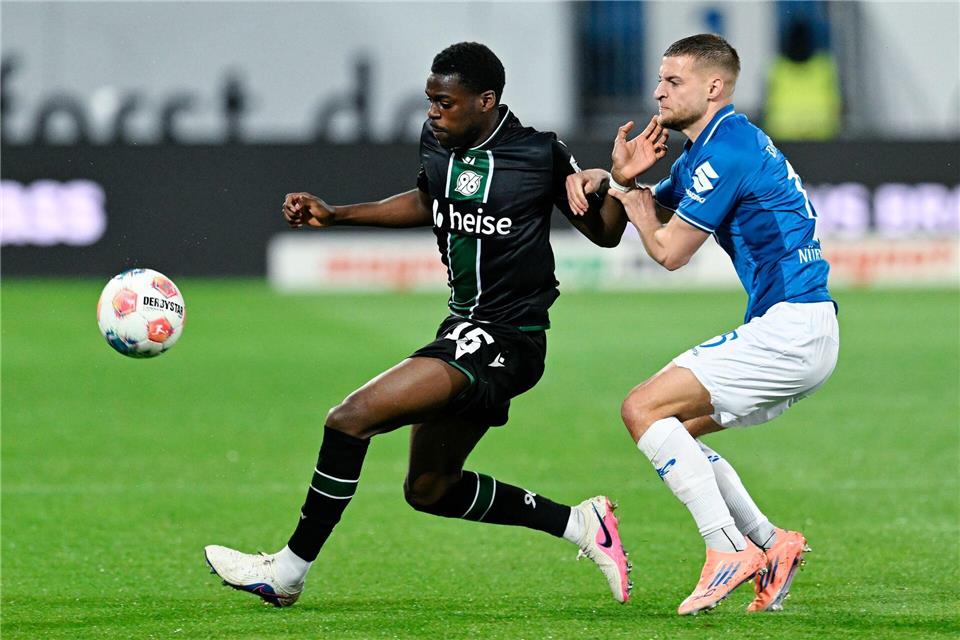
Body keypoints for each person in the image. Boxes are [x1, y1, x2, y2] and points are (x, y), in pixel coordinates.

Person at [204, 42, 636, 607]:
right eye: (429, 99)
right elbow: (429, 200)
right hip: (463, 327)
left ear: (486, 100)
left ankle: (287, 571)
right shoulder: (439, 141)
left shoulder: (537, 153)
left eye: (445, 102)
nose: (432, 111)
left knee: (349, 420)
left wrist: (614, 181)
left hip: (508, 338)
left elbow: (605, 233)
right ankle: (582, 524)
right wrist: (338, 215)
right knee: (430, 489)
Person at [567, 33, 838, 615]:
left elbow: (667, 250)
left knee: (641, 409)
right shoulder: (706, 150)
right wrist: (614, 176)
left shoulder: (726, 151)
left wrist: (631, 196)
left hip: (792, 327)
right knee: (673, 431)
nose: (658, 92)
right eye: (660, 80)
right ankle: (770, 542)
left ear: (714, 87)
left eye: (673, 81)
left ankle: (725, 550)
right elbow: (634, 208)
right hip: (801, 327)